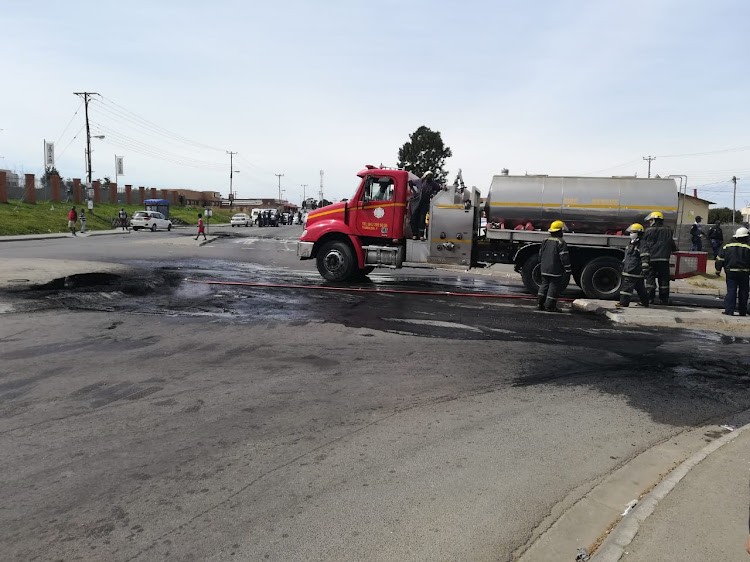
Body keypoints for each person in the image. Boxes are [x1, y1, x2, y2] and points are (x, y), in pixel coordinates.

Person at [641, 211, 677, 305]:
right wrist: (675, 249)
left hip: (651, 259)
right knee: (664, 280)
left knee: (650, 280)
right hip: (664, 259)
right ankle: (664, 299)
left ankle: (649, 298)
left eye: (651, 220)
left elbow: (644, 245)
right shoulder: (668, 231)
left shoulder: (648, 231)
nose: (650, 222)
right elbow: (672, 244)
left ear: (654, 220)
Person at [714, 226, 750, 316]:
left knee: (731, 291)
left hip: (730, 272)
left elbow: (720, 259)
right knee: (744, 292)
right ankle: (743, 311)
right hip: (744, 273)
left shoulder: (727, 246)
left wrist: (718, 270)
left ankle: (729, 311)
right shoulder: (748, 247)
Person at [537, 220, 571, 313]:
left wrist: (542, 263)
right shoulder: (561, 242)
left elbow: (540, 254)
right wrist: (568, 269)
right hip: (555, 269)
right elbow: (564, 257)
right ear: (559, 231)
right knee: (553, 286)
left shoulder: (545, 240)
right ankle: (550, 306)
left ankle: (540, 303)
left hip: (544, 268)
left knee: (544, 285)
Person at [615, 223, 650, 308]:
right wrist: (623, 263)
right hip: (632, 269)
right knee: (640, 288)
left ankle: (623, 302)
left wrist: (645, 268)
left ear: (639, 233)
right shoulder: (632, 243)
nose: (631, 234)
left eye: (633, 232)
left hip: (633, 270)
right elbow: (628, 256)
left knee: (626, 288)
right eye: (630, 232)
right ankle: (645, 302)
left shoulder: (641, 244)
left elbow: (645, 256)